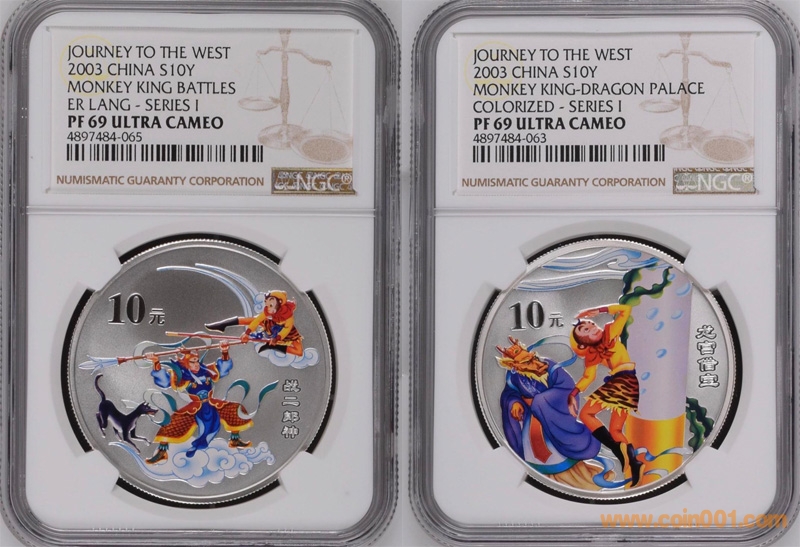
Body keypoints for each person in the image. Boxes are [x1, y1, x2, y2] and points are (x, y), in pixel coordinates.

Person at [497, 337, 602, 489]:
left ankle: (576, 480)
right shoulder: (514, 377)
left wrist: (540, 402)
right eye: (527, 362)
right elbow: (510, 393)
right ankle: (540, 484)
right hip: (532, 422)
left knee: (558, 452)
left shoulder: (550, 367)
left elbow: (565, 387)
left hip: (554, 418)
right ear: (515, 366)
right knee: (534, 453)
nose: (535, 363)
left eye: (533, 358)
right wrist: (514, 403)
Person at [569, 304, 643, 486]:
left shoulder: (611, 332)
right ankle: (634, 463)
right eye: (585, 329)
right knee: (615, 430)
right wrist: (574, 392)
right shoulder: (592, 355)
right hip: (623, 383)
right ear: (582, 343)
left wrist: (600, 310)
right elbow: (589, 377)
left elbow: (625, 309)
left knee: (586, 414)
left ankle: (619, 452)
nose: (592, 327)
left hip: (624, 381)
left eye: (592, 324)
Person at [145, 342, 252, 465]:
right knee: (171, 424)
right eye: (192, 362)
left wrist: (224, 351)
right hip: (194, 407)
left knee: (235, 409)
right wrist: (156, 363)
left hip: (211, 403)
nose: (196, 364)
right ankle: (162, 452)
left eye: (196, 361)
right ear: (186, 363)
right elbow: (164, 382)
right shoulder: (181, 376)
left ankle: (235, 439)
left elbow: (222, 369)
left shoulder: (207, 370)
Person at [205, 290, 304, 356]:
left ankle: (272, 346)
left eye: (270, 305)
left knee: (299, 351)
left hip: (285, 332)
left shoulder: (288, 315)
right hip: (271, 325)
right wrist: (247, 333)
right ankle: (223, 324)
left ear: (280, 302)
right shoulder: (268, 310)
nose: (268, 308)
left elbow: (287, 329)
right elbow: (257, 320)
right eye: (267, 304)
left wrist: (276, 338)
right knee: (252, 320)